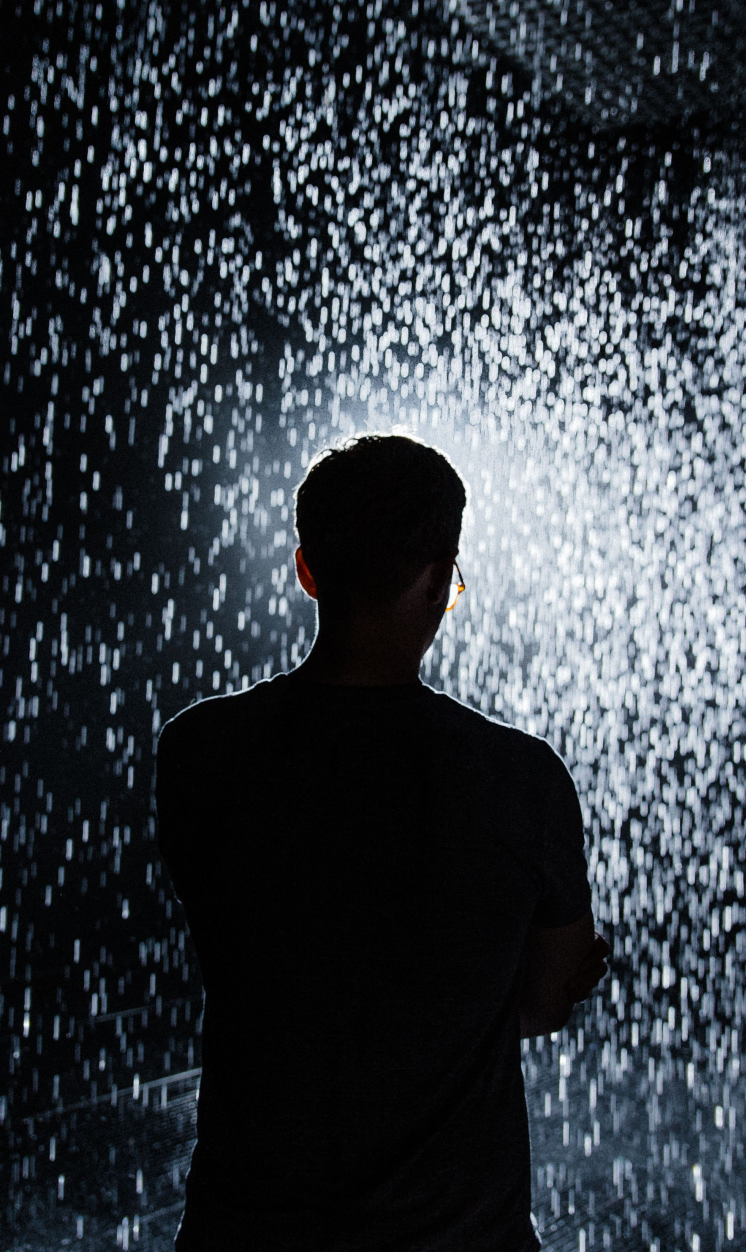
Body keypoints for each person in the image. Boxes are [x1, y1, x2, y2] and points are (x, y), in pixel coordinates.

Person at [156, 431, 610, 1251]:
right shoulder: (520, 779)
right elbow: (548, 1000)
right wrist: (472, 996)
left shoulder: (201, 752)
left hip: (249, 1231)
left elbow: (270, 967)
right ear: (438, 580)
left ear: (307, 571)